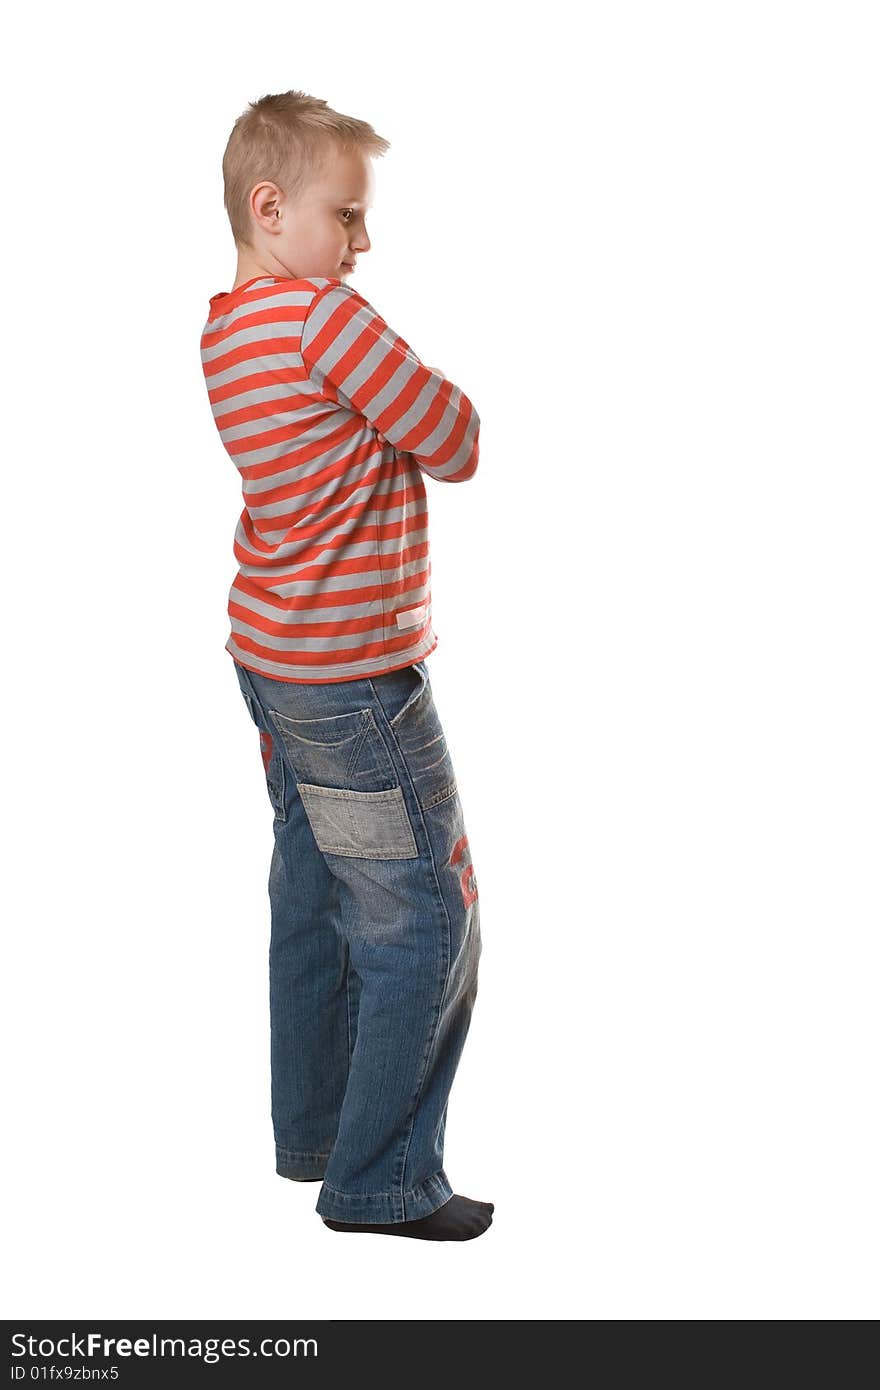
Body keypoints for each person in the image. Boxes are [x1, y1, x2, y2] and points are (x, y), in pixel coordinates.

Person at [198, 90, 492, 1241]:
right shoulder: (327, 322)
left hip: (272, 660)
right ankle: (377, 1178)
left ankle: (313, 1131)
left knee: (315, 894)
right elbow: (459, 437)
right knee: (427, 911)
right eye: (347, 216)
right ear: (272, 210)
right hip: (356, 685)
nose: (362, 247)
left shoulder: (225, 327)